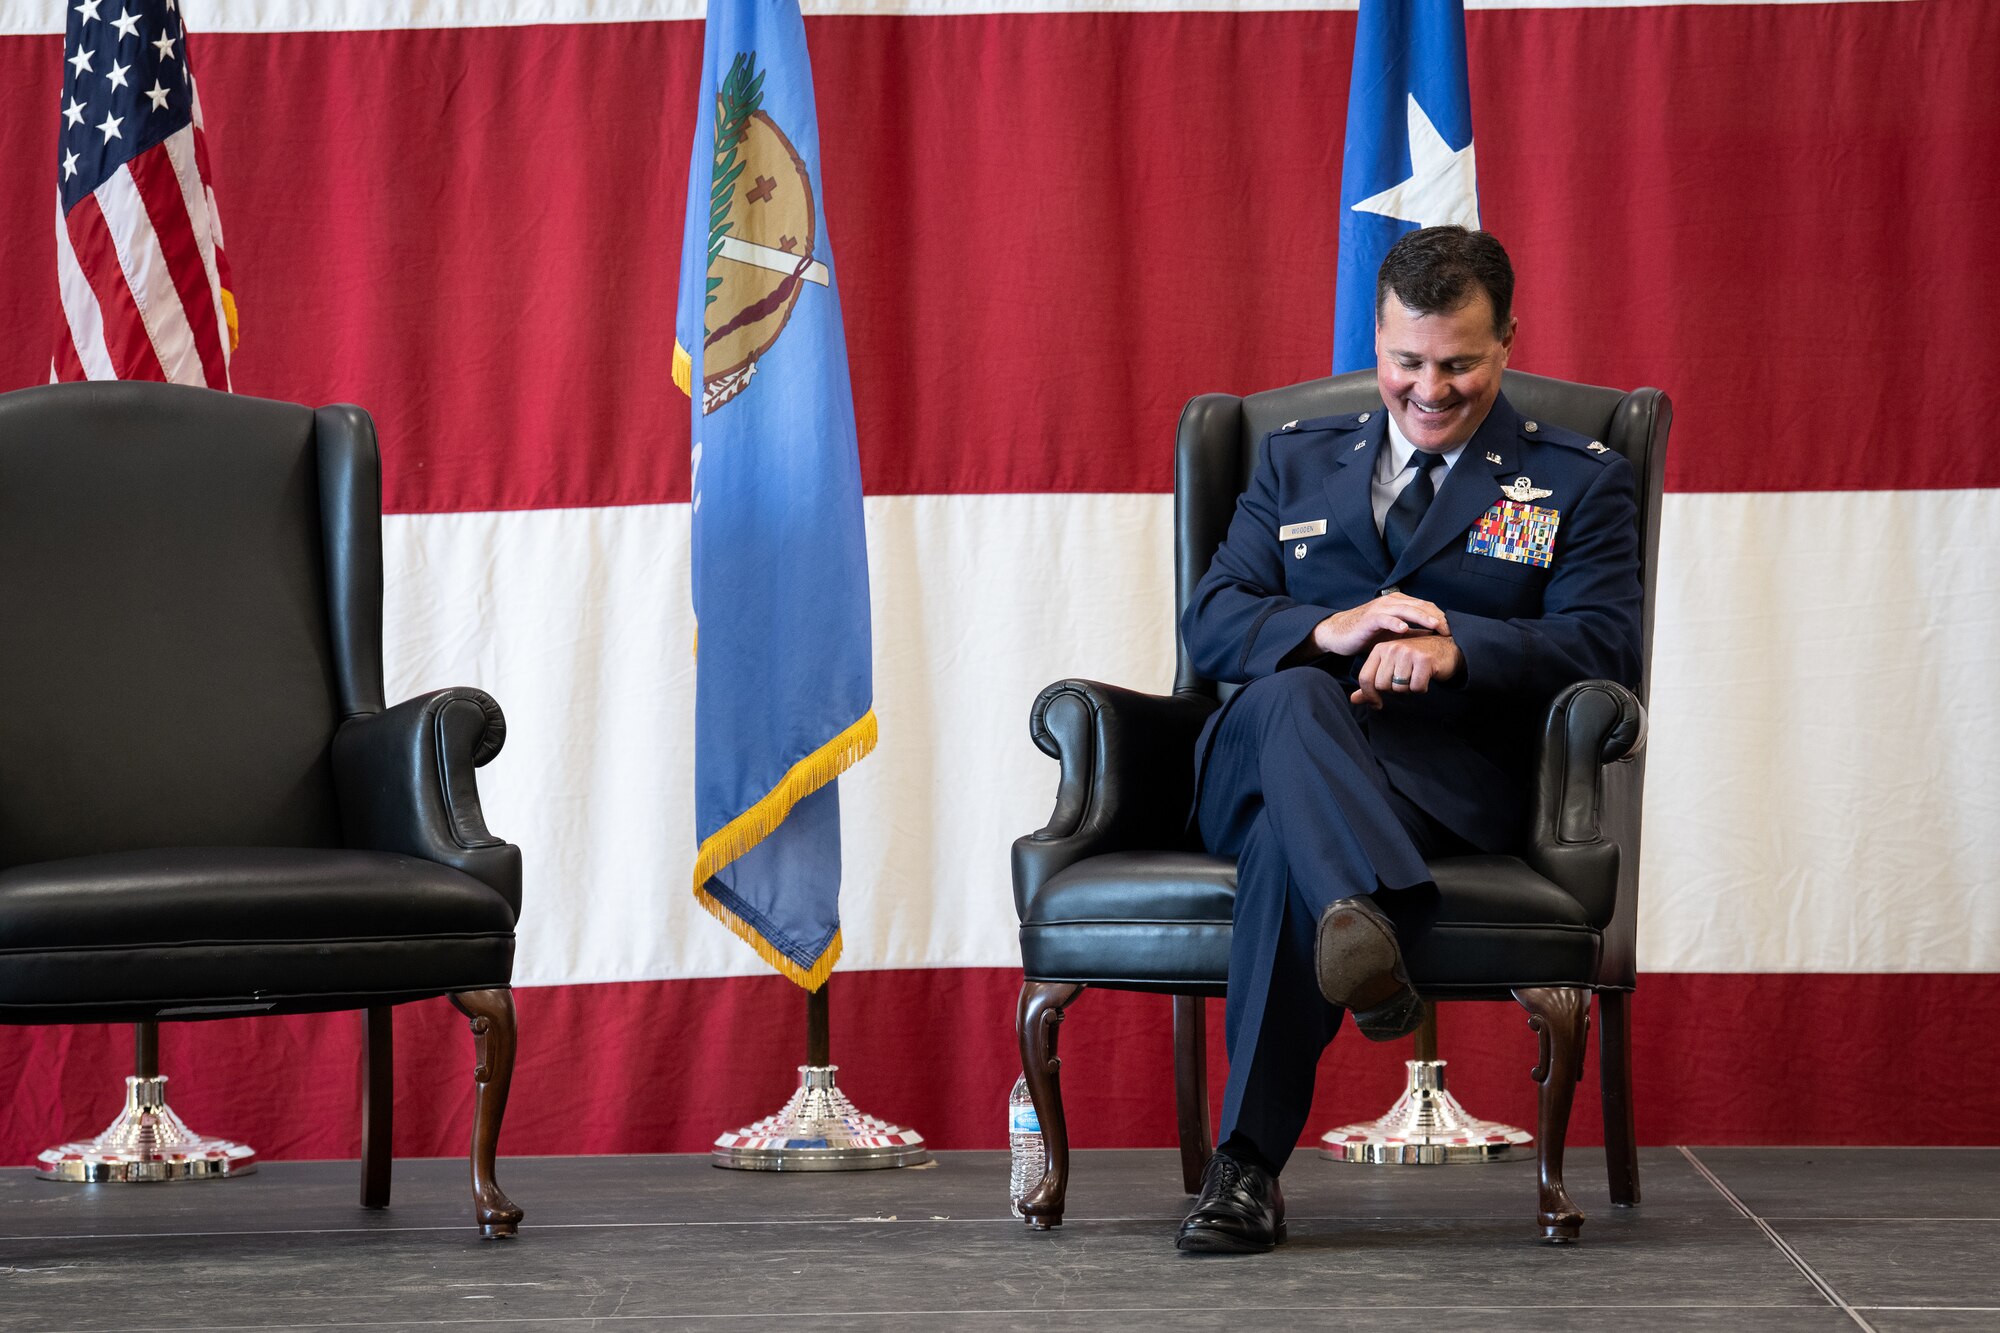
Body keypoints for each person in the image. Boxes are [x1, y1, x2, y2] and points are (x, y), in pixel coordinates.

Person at [1175, 226, 1643, 1253]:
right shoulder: (1290, 461)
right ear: (1375, 342)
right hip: (1253, 757)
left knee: (1278, 855)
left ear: (1506, 343)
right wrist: (1324, 631)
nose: (1428, 389)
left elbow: (1602, 642)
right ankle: (1360, 926)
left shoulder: (1575, 477)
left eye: (1458, 363)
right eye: (1406, 361)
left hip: (1430, 780)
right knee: (1296, 697)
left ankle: (1243, 1171)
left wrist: (1455, 645)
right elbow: (1208, 621)